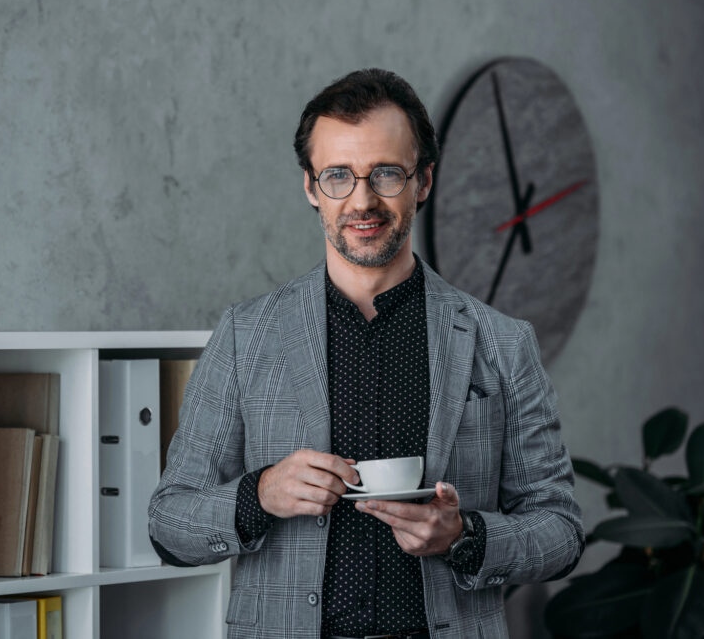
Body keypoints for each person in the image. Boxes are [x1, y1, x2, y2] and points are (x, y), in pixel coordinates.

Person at [148, 68, 584, 639]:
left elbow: (562, 531)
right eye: (337, 176)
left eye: (385, 173)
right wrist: (260, 495)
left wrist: (465, 537)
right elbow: (168, 523)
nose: (362, 200)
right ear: (309, 186)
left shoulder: (502, 342)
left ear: (423, 180)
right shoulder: (244, 334)